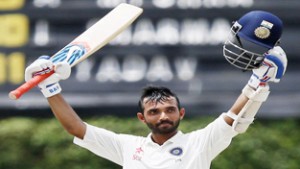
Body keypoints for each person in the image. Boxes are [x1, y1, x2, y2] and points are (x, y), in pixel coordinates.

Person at [24, 10, 287, 169]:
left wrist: (258, 83)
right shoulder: (126, 147)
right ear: (142, 117)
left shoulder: (199, 143)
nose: (163, 115)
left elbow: (236, 119)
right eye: (154, 111)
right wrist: (49, 87)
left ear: (181, 113)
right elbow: (76, 128)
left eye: (169, 109)